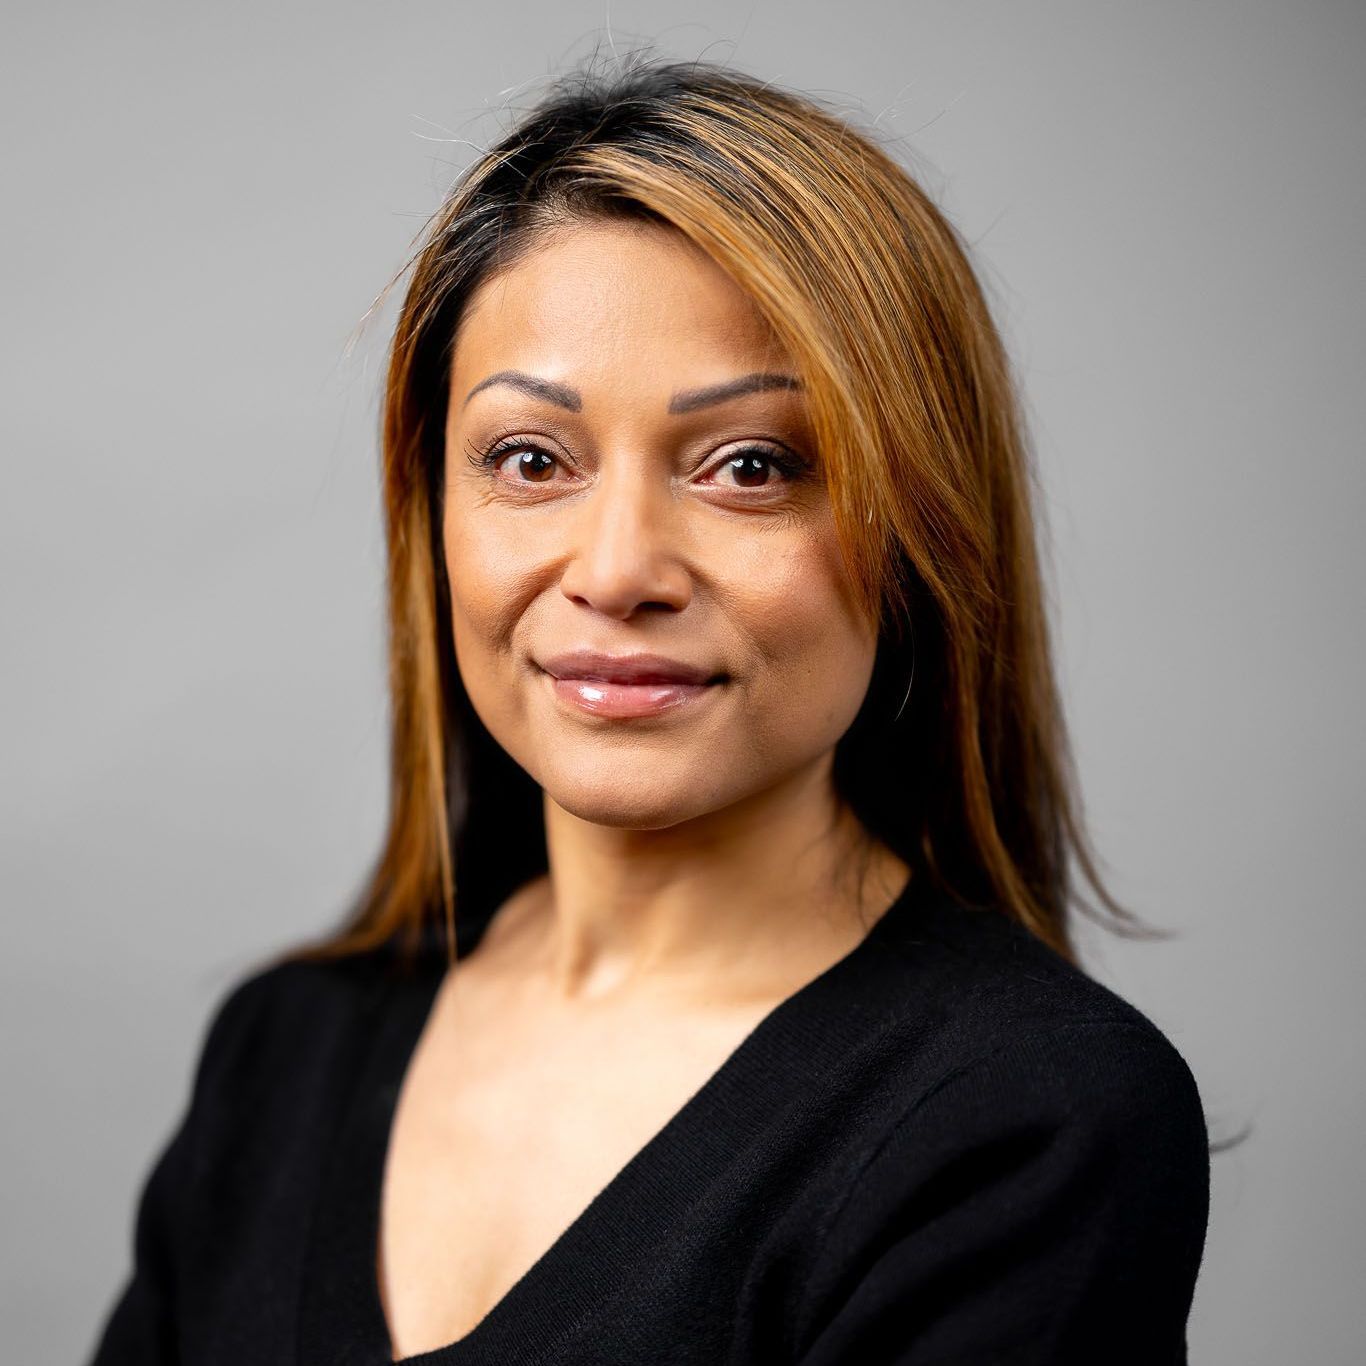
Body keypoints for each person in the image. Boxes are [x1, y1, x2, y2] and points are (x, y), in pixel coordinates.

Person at [87, 55, 1210, 1366]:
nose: (617, 568)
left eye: (750, 466)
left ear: (915, 526)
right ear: (429, 514)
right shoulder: (282, 1050)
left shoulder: (1027, 1123)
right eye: (529, 460)